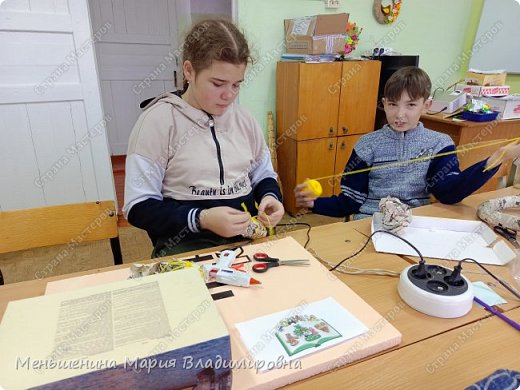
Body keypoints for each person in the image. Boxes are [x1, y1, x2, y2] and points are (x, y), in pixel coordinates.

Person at [123, 19, 284, 256]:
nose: (228, 95)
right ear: (189, 70)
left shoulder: (244, 120)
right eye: (218, 84)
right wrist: (202, 219)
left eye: (237, 85)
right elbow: (137, 207)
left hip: (247, 238)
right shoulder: (157, 122)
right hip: (185, 245)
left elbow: (263, 174)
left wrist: (270, 196)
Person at [294, 66, 520, 219]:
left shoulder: (439, 144)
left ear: (427, 105)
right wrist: (315, 203)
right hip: (370, 223)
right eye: (393, 104)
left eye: (410, 105)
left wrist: (499, 156)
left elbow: (449, 193)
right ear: (384, 103)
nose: (399, 114)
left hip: (416, 223)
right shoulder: (367, 145)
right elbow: (350, 202)